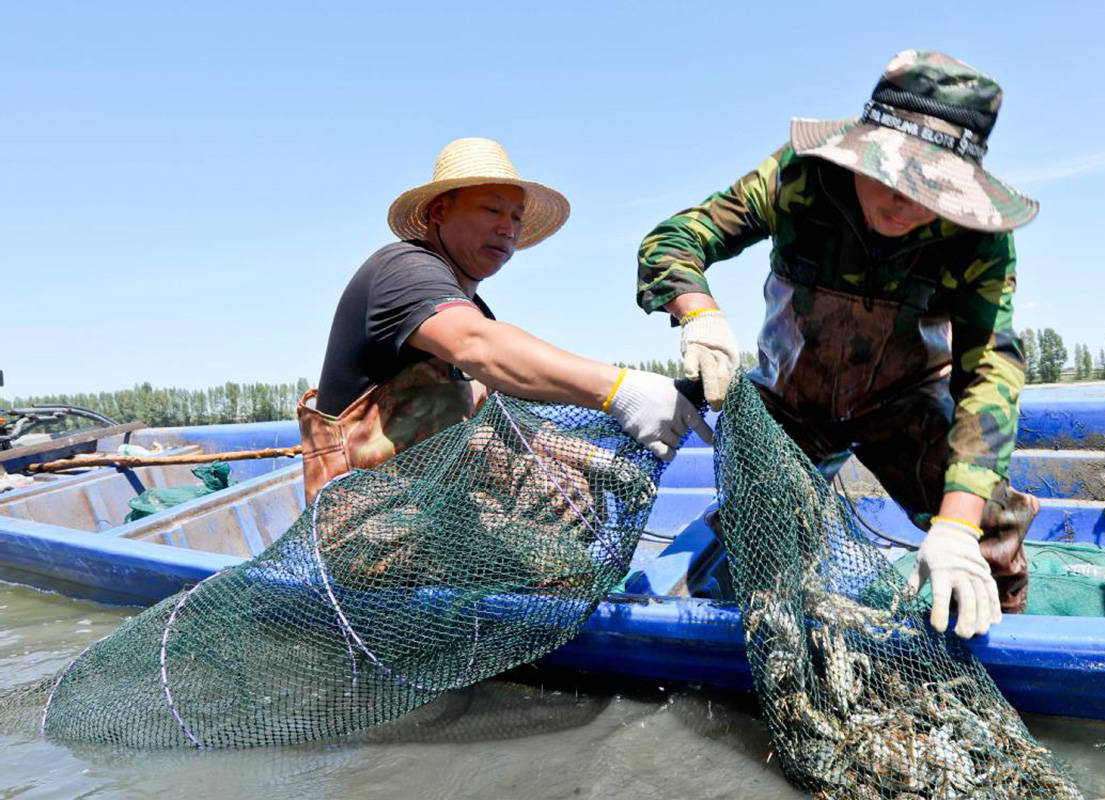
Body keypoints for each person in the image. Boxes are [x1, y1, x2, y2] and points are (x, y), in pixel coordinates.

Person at [635, 51, 1040, 639]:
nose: (904, 205)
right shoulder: (799, 176)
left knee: (989, 528)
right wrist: (698, 313)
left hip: (906, 404)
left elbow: (990, 371)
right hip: (791, 403)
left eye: (930, 190)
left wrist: (955, 523)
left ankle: (1006, 650)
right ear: (860, 152)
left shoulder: (979, 239)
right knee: (758, 538)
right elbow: (675, 239)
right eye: (893, 177)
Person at [300, 137, 711, 503]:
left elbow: (505, 419)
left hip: (435, 502)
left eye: (516, 216)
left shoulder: (472, 309)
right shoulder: (403, 270)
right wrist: (621, 389)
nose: (508, 228)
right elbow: (476, 344)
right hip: (366, 519)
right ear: (440, 210)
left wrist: (593, 458)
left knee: (572, 497)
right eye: (491, 210)